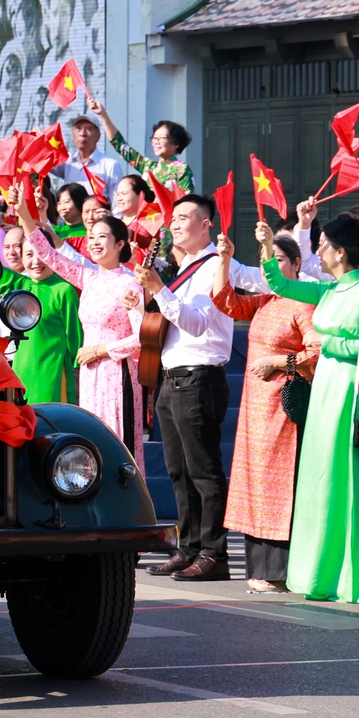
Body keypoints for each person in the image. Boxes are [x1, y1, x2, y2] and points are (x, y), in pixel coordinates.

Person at [255, 208, 359, 604]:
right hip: (326, 388)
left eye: (324, 244)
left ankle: (348, 576)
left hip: (350, 391)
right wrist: (266, 246)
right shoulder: (327, 290)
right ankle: (318, 574)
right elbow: (279, 281)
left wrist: (325, 345)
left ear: (341, 251)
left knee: (343, 476)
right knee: (320, 477)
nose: (318, 250)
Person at [137, 191, 267, 580]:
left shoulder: (216, 266)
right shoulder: (184, 269)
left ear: (205, 224)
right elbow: (161, 326)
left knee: (204, 472)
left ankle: (215, 554)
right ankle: (188, 547)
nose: (174, 223)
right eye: (172, 218)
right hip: (170, 377)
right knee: (178, 470)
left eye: (183, 217)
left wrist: (159, 290)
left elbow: (196, 323)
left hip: (200, 378)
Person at [16, 203, 151, 498]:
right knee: (90, 446)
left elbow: (142, 338)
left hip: (118, 376)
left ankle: (128, 513)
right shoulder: (89, 278)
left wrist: (101, 350)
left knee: (118, 445)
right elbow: (49, 254)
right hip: (90, 378)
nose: (95, 242)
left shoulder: (130, 284)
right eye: (91, 237)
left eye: (103, 237)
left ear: (120, 244)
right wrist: (26, 218)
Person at [212, 232, 316, 591]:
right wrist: (224, 258)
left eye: (280, 260)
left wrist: (279, 360)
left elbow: (317, 353)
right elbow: (226, 302)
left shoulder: (303, 305)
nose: (271, 267)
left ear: (297, 264)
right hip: (254, 413)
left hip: (283, 409)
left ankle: (279, 572)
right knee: (255, 486)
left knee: (279, 485)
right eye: (265, 260)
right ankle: (259, 568)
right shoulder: (267, 301)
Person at [0, 223, 79, 408]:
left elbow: (76, 342)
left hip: (53, 375)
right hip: (20, 374)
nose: (36, 261)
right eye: (29, 254)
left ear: (52, 254)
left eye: (41, 254)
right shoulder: (22, 285)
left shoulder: (64, 290)